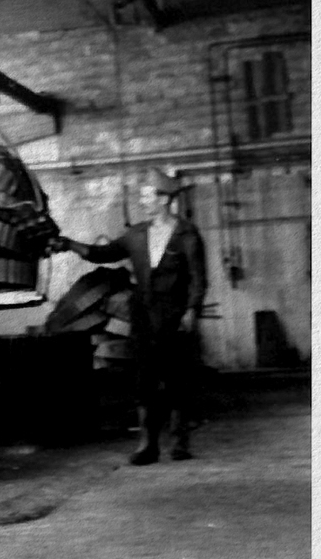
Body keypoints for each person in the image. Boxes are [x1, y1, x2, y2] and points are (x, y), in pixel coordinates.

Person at [53, 167, 209, 465]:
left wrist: (192, 310)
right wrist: (69, 244)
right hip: (144, 315)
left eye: (147, 196)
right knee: (144, 378)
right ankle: (147, 445)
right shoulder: (136, 234)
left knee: (176, 377)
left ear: (163, 199)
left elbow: (198, 279)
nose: (142, 201)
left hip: (174, 315)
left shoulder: (186, 235)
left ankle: (179, 442)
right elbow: (104, 253)